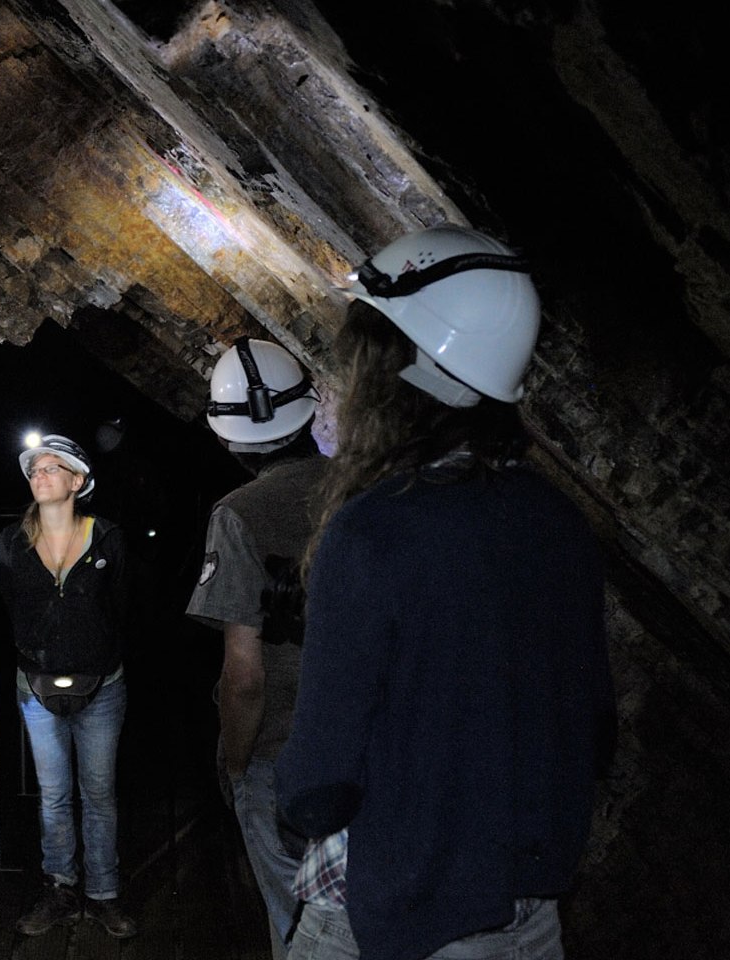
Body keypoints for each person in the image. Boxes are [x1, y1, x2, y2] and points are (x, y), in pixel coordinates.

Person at [276, 226, 616, 960]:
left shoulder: (375, 533)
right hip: (528, 916)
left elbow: (318, 779)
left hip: (393, 913)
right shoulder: (558, 521)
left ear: (403, 371)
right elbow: (593, 731)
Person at [185, 338, 326, 957]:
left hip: (281, 753)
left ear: (227, 437)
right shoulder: (375, 492)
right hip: (380, 748)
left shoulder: (239, 514)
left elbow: (245, 677)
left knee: (296, 929)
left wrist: (236, 765)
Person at [0, 433, 139, 939]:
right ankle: (60, 887)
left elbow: (121, 608)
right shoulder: (11, 543)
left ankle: (103, 893)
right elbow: (14, 606)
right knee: (54, 794)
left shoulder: (109, 539)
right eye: (34, 470)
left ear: (77, 480)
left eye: (51, 468)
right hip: (35, 684)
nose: (40, 475)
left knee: (98, 792)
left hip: (103, 683)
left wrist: (92, 649)